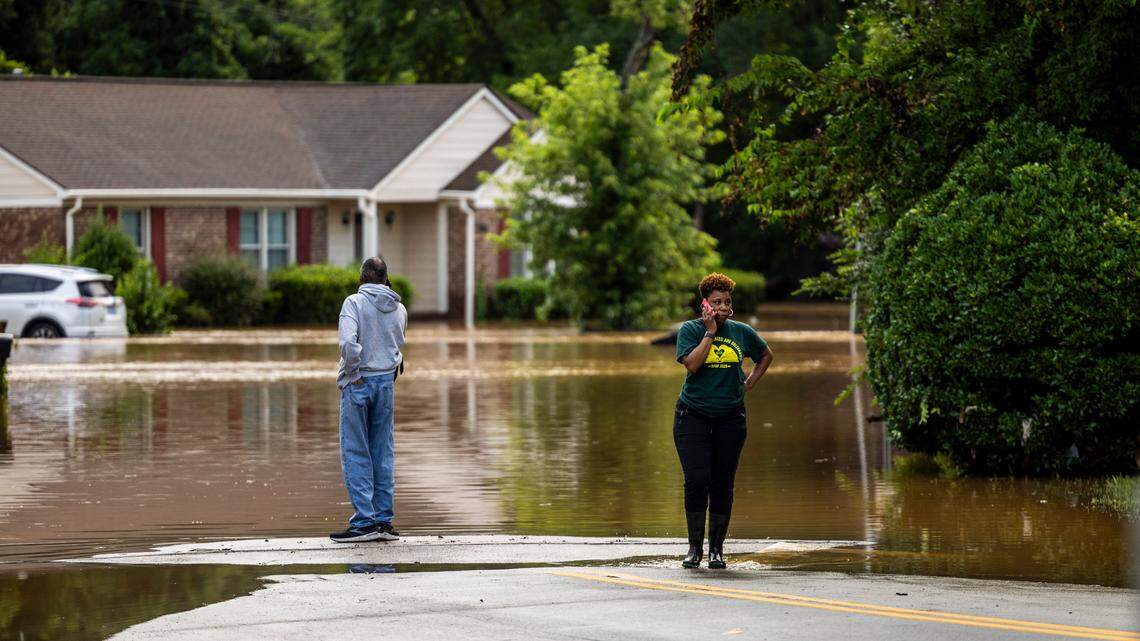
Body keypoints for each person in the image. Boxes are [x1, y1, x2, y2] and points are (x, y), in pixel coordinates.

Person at [674, 272, 773, 568]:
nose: (722, 306)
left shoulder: (742, 332)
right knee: (696, 481)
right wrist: (709, 332)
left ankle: (716, 550)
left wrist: (750, 381)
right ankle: (694, 550)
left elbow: (766, 355)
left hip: (730, 418)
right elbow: (692, 365)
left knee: (722, 483)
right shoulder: (690, 330)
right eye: (716, 301)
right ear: (704, 304)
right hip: (692, 416)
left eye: (727, 301)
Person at [330, 256, 408, 543]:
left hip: (359, 382)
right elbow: (397, 346)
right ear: (386, 279)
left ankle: (364, 522)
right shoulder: (399, 308)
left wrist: (353, 374)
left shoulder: (354, 303)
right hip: (386, 383)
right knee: (382, 451)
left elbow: (349, 344)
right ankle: (383, 521)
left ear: (362, 279)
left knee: (356, 451)